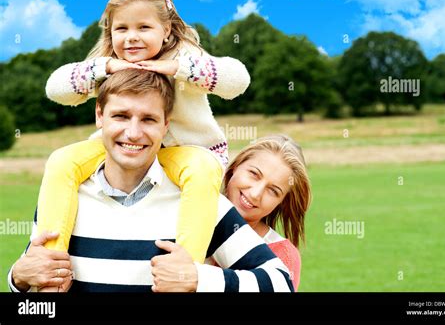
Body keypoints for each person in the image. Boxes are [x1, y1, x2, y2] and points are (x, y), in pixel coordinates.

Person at [9, 69, 292, 293]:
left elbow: (281, 283)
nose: (133, 133)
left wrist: (197, 279)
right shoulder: (66, 197)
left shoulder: (203, 204)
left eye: (148, 119)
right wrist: (18, 279)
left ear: (165, 125)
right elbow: (35, 300)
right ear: (99, 115)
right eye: (120, 116)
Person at [37, 0, 250, 271]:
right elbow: (54, 87)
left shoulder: (184, 58)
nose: (132, 37)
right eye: (121, 29)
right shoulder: (108, 65)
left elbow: (238, 79)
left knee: (201, 171)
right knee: (61, 161)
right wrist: (105, 68)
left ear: (166, 31)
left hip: (187, 152)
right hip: (123, 147)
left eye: (143, 27)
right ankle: (50, 262)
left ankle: (184, 266)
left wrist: (179, 69)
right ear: (110, 34)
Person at [222, 135, 311, 291]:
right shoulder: (184, 211)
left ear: (281, 202)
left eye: (273, 190)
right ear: (236, 166)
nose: (256, 194)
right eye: (254, 174)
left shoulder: (282, 255)